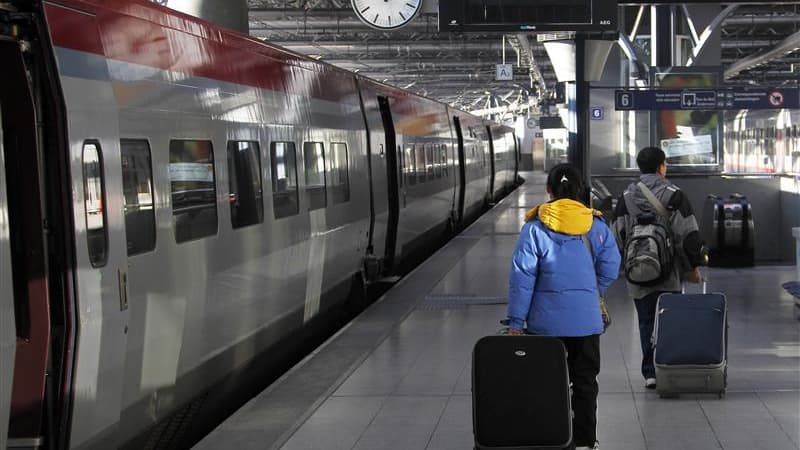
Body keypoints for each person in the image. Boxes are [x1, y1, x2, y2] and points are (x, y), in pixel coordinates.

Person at [506, 163, 621, 450]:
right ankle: (584, 440)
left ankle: (551, 436)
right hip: (586, 322)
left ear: (549, 190)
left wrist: (516, 322)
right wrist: (592, 293)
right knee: (585, 381)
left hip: (545, 325)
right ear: (581, 189)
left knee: (547, 380)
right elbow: (611, 266)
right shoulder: (596, 226)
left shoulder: (534, 229)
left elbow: (523, 278)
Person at [612, 146, 707, 390]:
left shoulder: (626, 197)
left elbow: (618, 234)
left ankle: (649, 373)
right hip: (669, 273)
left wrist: (627, 262)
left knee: (645, 321)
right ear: (661, 166)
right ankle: (668, 366)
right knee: (668, 319)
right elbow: (688, 235)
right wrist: (693, 266)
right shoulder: (674, 195)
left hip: (637, 273)